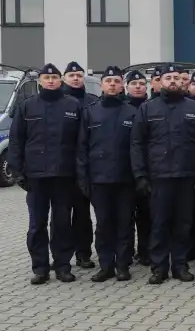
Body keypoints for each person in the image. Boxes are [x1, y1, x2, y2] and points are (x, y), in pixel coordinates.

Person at [131, 64, 195, 284]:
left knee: (183, 224)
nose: (173, 81)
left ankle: (180, 265)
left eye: (177, 77)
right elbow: (137, 144)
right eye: (168, 78)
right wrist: (140, 175)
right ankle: (159, 267)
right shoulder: (148, 108)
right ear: (160, 81)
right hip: (158, 177)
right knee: (159, 224)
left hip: (187, 176)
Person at [9, 63, 82, 284]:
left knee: (62, 223)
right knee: (36, 224)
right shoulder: (27, 106)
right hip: (36, 176)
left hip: (63, 175)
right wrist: (17, 171)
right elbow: (16, 140)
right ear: (40, 81)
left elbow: (81, 142)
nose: (50, 81)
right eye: (46, 78)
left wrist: (80, 172)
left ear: (61, 80)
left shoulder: (73, 105)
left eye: (54, 78)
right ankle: (40, 268)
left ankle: (62, 266)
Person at [77, 66, 138, 283]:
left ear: (122, 86)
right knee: (103, 224)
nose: (112, 85)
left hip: (126, 180)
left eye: (116, 81)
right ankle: (106, 265)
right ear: (102, 85)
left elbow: (139, 147)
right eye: (108, 81)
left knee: (125, 223)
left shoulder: (132, 112)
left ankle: (122, 265)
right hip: (99, 179)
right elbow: (82, 148)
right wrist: (83, 179)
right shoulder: (90, 112)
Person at [62, 61, 99, 269]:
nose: (76, 78)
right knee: (61, 215)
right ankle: (62, 256)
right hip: (64, 167)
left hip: (87, 167)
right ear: (64, 78)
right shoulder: (59, 101)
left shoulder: (93, 101)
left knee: (83, 215)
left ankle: (83, 254)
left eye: (79, 75)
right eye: (72, 75)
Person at [125, 71, 151, 266]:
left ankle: (145, 251)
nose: (138, 87)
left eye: (141, 83)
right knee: (125, 216)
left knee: (146, 215)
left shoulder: (152, 108)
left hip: (147, 171)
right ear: (127, 87)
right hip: (124, 171)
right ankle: (126, 252)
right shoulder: (122, 108)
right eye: (134, 83)